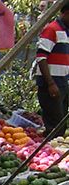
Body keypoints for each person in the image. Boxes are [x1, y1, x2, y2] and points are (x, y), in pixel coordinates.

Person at [36, 4, 69, 136]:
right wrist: (50, 83)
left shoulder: (65, 31)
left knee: (61, 123)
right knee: (55, 125)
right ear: (66, 13)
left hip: (62, 82)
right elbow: (41, 57)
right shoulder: (52, 29)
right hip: (51, 84)